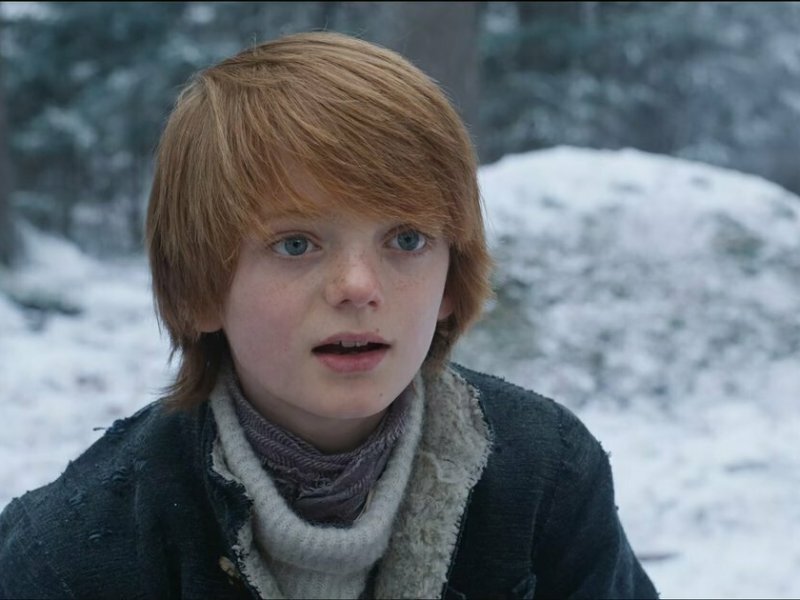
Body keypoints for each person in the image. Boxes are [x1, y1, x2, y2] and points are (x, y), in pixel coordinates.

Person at [0, 31, 657, 599]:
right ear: (199, 289)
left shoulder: (547, 478)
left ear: (451, 283)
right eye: (296, 244)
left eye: (406, 239)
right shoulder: (74, 552)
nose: (358, 287)